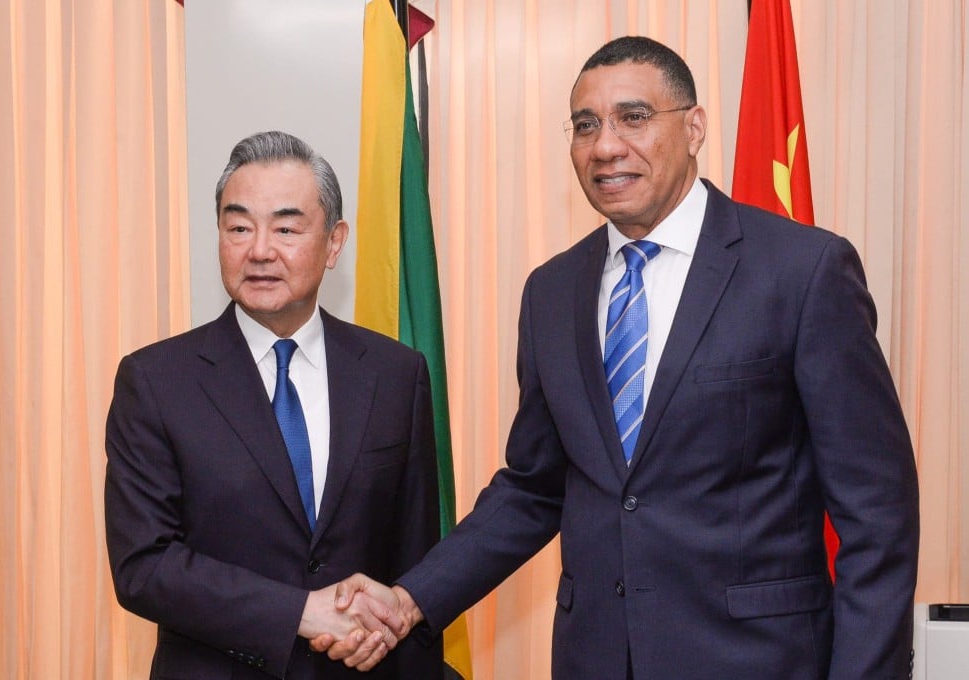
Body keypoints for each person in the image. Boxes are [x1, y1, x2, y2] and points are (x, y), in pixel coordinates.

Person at [321, 36, 920, 679]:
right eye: (585, 125)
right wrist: (410, 599)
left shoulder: (803, 271)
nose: (605, 146)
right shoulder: (551, 292)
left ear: (694, 127)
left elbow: (877, 513)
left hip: (760, 662)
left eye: (633, 117)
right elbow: (534, 487)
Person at [104, 131, 444, 679]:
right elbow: (143, 566)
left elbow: (416, 564)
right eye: (238, 227)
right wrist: (299, 613)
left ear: (334, 243)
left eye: (286, 228)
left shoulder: (396, 374)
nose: (259, 249)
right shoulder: (155, 381)